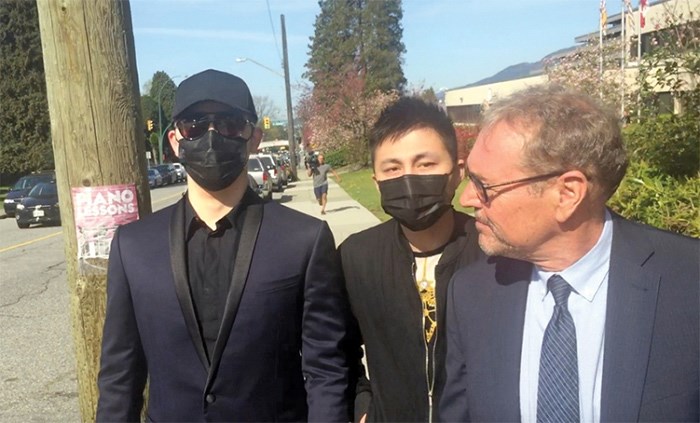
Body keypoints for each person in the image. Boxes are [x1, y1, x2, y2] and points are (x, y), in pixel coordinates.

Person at [96, 69, 356, 422]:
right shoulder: (133, 247)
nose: (212, 136)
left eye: (231, 123)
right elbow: (119, 378)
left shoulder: (304, 240)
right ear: (175, 140)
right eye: (195, 125)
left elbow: (326, 370)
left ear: (254, 138)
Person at [440, 84, 699, 422]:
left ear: (567, 194)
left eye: (484, 186)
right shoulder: (472, 292)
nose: (466, 199)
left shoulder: (688, 283)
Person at [339, 97, 482, 422]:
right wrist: (362, 404)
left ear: (457, 172)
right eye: (392, 168)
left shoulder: (492, 252)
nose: (408, 178)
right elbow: (338, 350)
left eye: (425, 164)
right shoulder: (356, 257)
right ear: (376, 182)